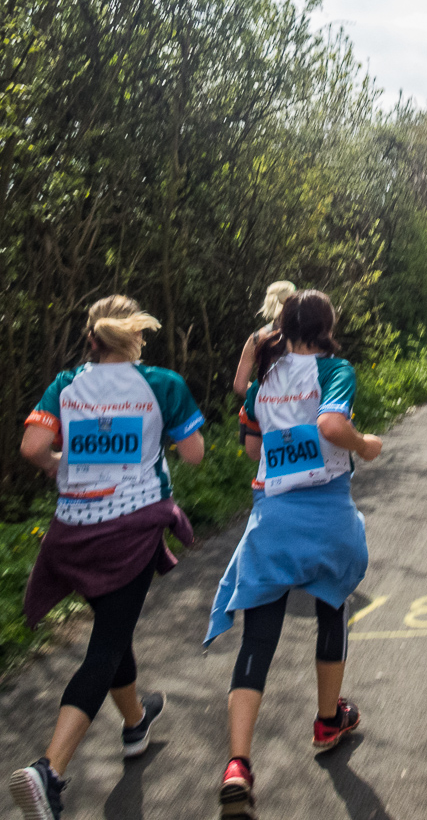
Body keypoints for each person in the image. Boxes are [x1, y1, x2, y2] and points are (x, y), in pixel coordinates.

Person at [9, 296, 205, 820]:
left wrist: (60, 465)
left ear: (91, 340)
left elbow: (32, 448)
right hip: (130, 529)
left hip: (72, 532)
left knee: (113, 633)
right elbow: (194, 453)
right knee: (106, 644)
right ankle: (48, 771)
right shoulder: (162, 383)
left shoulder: (65, 385)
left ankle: (137, 721)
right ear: (135, 336)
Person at [205, 290, 382, 819]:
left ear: (283, 325)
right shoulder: (334, 370)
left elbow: (254, 448)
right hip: (327, 512)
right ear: (328, 325)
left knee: (258, 638)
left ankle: (237, 764)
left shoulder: (266, 379)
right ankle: (329, 720)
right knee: (332, 608)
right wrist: (365, 444)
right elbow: (331, 425)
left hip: (273, 516)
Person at [233, 281, 296, 396]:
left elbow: (240, 386)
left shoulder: (255, 338)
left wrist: (265, 397)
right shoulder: (304, 335)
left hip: (267, 411)